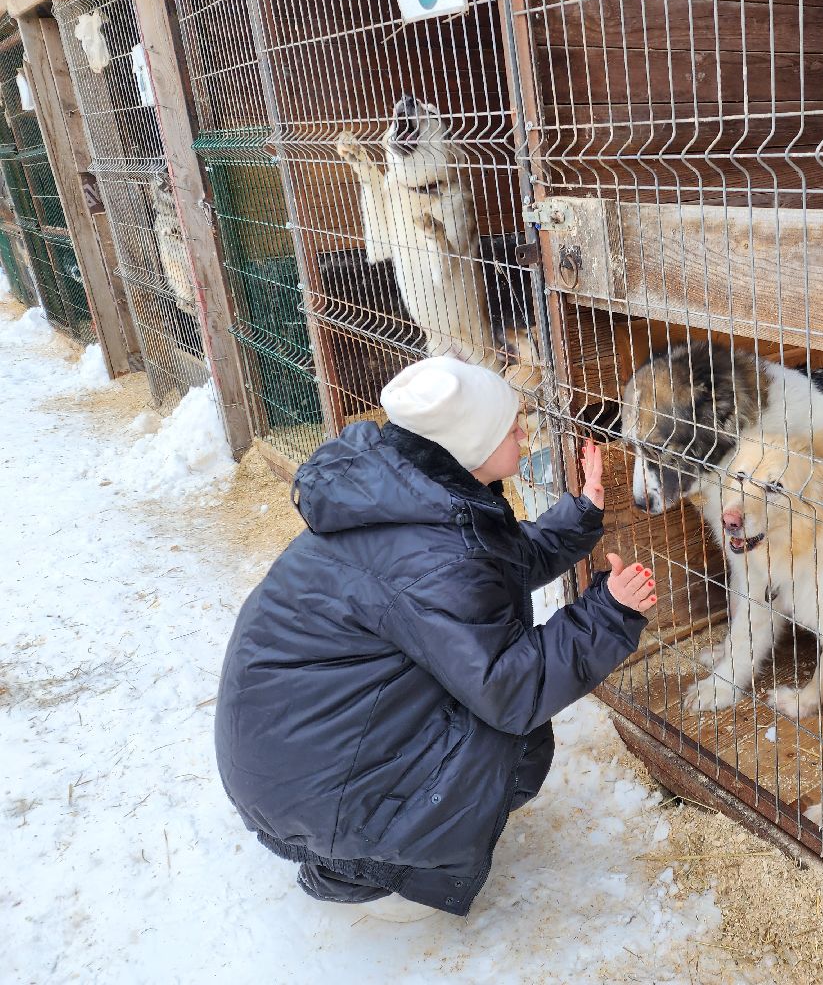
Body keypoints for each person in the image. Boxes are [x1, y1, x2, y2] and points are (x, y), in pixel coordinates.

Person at [213, 356, 657, 922]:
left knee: (480, 707)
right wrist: (608, 614)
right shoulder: (437, 552)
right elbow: (511, 687)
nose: (524, 434)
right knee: (506, 738)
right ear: (473, 447)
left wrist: (580, 515)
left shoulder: (407, 499)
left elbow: (491, 569)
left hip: (287, 763)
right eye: (512, 427)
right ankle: (358, 865)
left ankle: (354, 838)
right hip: (309, 790)